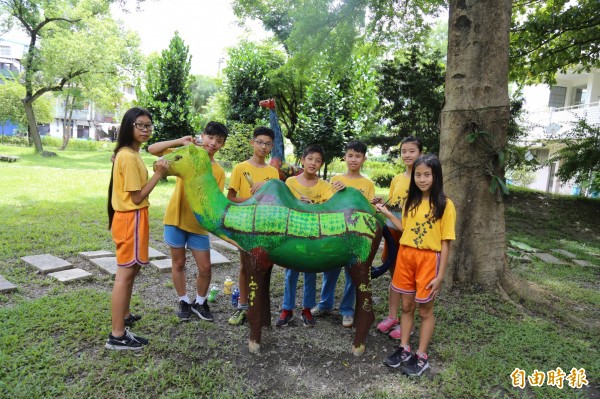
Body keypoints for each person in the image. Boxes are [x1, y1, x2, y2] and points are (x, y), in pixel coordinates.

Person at [376, 154, 456, 376]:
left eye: (427, 175)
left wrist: (440, 276)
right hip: (406, 257)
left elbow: (445, 243)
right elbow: (405, 229)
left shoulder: (445, 205)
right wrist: (385, 213)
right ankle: (404, 348)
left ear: (436, 176)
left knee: (425, 310)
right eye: (418, 175)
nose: (422, 179)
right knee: (407, 306)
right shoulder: (410, 201)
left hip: (429, 260)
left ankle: (421, 355)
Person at [147, 122, 229, 322]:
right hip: (175, 218)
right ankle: (183, 300)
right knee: (178, 263)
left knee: (205, 268)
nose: (213, 143)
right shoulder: (187, 153)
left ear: (222, 145)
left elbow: (215, 200)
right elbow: (152, 149)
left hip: (199, 226)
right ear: (203, 136)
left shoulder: (218, 171)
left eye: (219, 141)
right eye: (210, 138)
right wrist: (180, 141)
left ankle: (200, 303)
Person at [105, 107, 169, 350]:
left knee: (131, 272)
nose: (145, 130)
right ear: (128, 126)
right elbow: (136, 197)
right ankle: (117, 335)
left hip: (131, 219)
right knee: (125, 275)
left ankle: (124, 315)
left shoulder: (127, 153)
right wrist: (159, 174)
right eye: (140, 125)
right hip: (131, 218)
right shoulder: (129, 156)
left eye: (149, 126)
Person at [277, 144, 345, 328]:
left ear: (321, 164)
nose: (313, 163)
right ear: (302, 160)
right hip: (294, 235)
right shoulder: (290, 182)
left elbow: (331, 207)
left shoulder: (325, 186)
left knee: (310, 271)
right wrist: (297, 203)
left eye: (318, 161)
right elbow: (284, 206)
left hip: (314, 238)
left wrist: (340, 188)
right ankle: (287, 309)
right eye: (310, 159)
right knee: (291, 272)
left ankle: (307, 308)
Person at [311, 140, 375, 328]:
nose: (353, 160)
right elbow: (328, 205)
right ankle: (325, 303)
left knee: (351, 273)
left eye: (358, 156)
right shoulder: (336, 179)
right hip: (334, 235)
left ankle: (347, 309)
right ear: (345, 157)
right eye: (350, 155)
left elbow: (370, 211)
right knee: (329, 269)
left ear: (364, 159)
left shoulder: (368, 184)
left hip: (355, 238)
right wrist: (337, 192)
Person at [227, 126, 280, 326]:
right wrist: (252, 199)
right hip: (245, 224)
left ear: (271, 146)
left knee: (265, 266)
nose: (263, 147)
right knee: (245, 265)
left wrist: (265, 193)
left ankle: (260, 307)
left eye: (267, 144)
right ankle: (242, 306)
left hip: (266, 226)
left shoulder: (273, 172)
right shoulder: (240, 168)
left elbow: (277, 201)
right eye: (259, 142)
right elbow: (231, 198)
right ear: (252, 142)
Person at [373, 136, 423, 339]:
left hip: (411, 236)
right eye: (404, 151)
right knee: (394, 276)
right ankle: (392, 316)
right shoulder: (397, 179)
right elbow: (394, 205)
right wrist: (383, 203)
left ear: (420, 153)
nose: (407, 155)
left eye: (412, 151)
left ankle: (406, 322)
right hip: (394, 231)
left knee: (409, 280)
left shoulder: (423, 178)